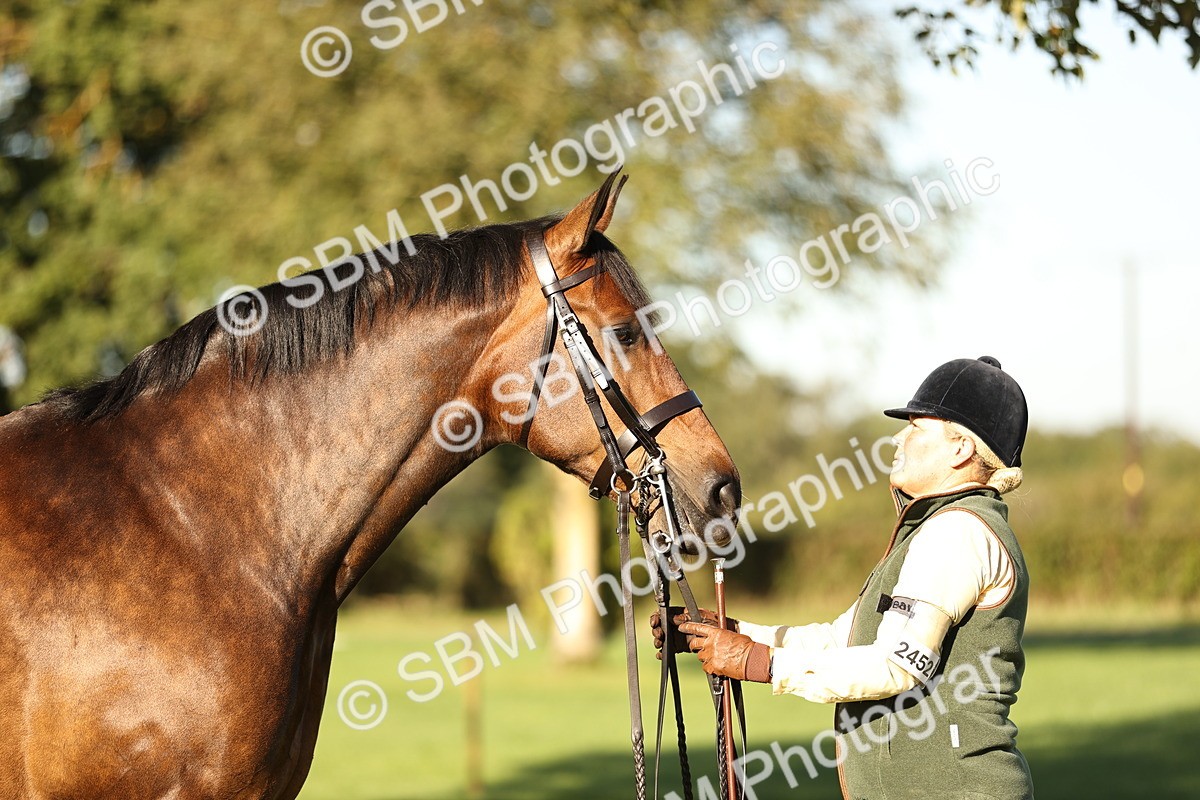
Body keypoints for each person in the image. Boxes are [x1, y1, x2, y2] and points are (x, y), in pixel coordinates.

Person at [654, 356, 1034, 800]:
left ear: (961, 449)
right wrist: (732, 634)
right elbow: (842, 640)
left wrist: (757, 662)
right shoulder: (936, 528)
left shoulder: (957, 530)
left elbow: (896, 665)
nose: (900, 437)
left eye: (917, 427)